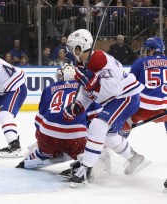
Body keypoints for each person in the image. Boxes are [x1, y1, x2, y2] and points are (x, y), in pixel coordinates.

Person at [62, 29, 148, 188]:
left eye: (71, 48)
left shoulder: (100, 60)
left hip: (126, 96)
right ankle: (135, 158)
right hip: (116, 99)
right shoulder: (83, 63)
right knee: (108, 134)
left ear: (79, 48)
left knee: (97, 125)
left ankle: (86, 169)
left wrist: (92, 81)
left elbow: (114, 88)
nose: (69, 51)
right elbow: (87, 91)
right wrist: (78, 105)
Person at [16, 63, 102, 170]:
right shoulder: (86, 89)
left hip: (48, 136)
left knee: (45, 138)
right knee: (95, 150)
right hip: (75, 138)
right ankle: (82, 162)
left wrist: (41, 141)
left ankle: (43, 152)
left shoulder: (49, 89)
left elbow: (38, 122)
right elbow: (97, 119)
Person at [121, 36, 167, 136]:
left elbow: (129, 85)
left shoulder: (140, 62)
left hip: (143, 109)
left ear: (152, 50)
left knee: (122, 119)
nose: (145, 52)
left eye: (147, 50)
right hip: (165, 111)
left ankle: (118, 143)